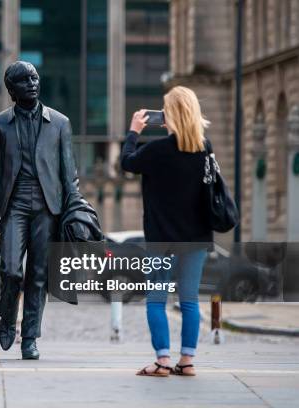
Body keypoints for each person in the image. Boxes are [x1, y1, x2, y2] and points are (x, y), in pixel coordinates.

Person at [121, 86, 213, 377]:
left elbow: (126, 161)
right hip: (196, 238)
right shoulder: (204, 149)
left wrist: (134, 130)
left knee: (157, 299)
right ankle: (187, 362)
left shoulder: (157, 151)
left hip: (162, 239)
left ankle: (162, 361)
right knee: (189, 299)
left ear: (169, 115)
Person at [0, 61, 79, 360]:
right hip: (14, 204)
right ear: (12, 89)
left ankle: (29, 338)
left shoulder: (60, 123)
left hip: (47, 207)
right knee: (11, 270)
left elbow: (69, 173)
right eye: (24, 80)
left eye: (35, 78)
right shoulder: (0, 123)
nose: (32, 83)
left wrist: (74, 208)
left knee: (38, 275)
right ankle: (6, 313)